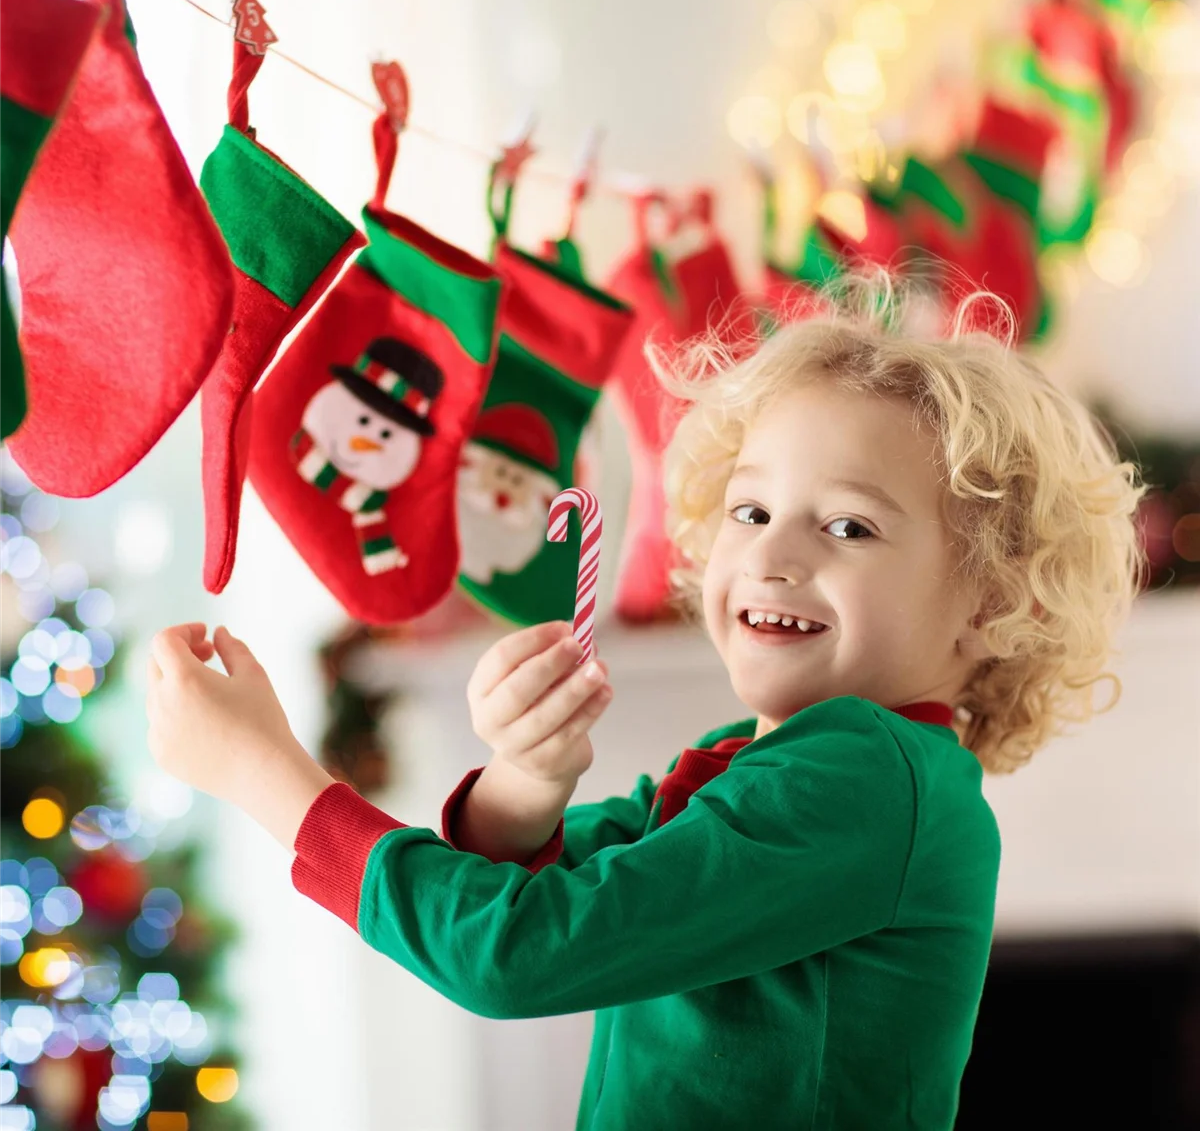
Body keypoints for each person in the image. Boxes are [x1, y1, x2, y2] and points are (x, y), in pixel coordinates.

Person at [145, 271, 1149, 1129]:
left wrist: (269, 778)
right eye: (753, 509)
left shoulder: (863, 783)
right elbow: (524, 892)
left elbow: (515, 955)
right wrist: (528, 780)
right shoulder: (771, 765)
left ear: (992, 602)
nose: (773, 553)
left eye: (848, 528)